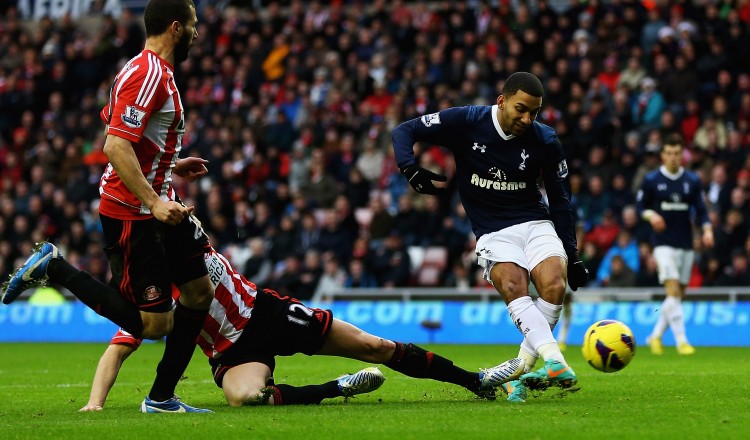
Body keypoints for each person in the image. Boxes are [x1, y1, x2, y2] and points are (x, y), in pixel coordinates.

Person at [2, 0, 215, 413]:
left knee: (198, 291)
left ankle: (162, 397)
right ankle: (54, 267)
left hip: (157, 200)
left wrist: (169, 164)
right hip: (134, 214)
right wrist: (152, 200)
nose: (197, 33)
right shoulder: (149, 74)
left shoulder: (140, 69)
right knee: (154, 325)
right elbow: (114, 144)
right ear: (175, 28)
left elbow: (122, 130)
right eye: (193, 25)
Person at [79, 246, 524, 411]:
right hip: (232, 353)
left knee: (375, 345)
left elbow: (155, 183)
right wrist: (95, 405)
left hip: (268, 314)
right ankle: (338, 388)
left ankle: (476, 381)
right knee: (245, 398)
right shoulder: (155, 298)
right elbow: (120, 346)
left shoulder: (189, 242)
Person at [392, 72, 589, 403]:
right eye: (521, 109)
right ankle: (555, 360)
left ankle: (520, 372)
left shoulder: (545, 140)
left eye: (534, 113)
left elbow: (560, 201)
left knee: (555, 287)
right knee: (514, 286)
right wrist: (409, 167)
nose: (527, 119)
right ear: (502, 101)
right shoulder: (467, 121)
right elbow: (404, 130)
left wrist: (574, 253)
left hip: (536, 222)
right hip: (493, 230)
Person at [636, 133, 714, 355]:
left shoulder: (692, 181)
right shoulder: (652, 180)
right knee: (672, 290)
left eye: (677, 153)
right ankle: (682, 341)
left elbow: (700, 210)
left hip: (686, 243)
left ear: (683, 156)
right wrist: (652, 215)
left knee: (677, 295)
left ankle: (655, 336)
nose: (673, 157)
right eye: (669, 153)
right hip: (662, 244)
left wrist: (707, 230)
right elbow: (640, 208)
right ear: (662, 155)